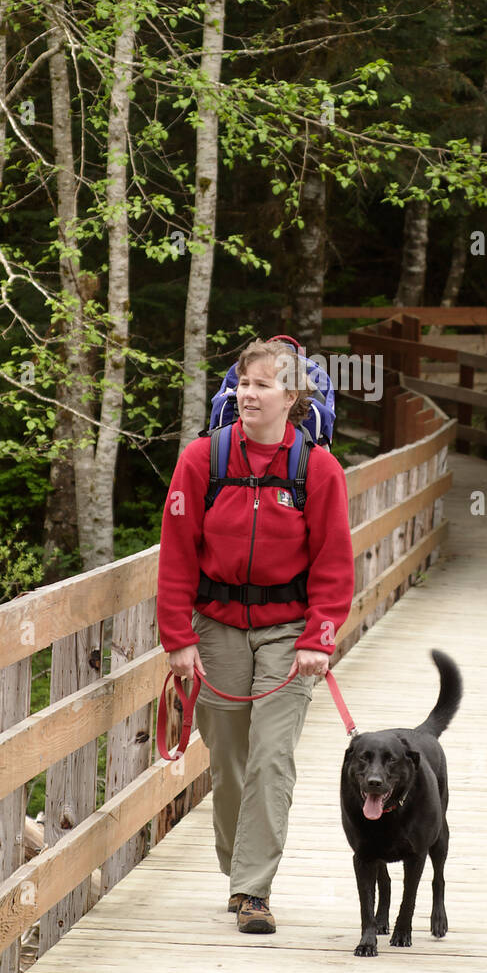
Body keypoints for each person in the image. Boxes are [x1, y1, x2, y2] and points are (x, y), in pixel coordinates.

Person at [157, 337, 355, 933]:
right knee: (229, 760)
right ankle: (238, 867)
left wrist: (319, 637)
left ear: (291, 396)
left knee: (272, 758)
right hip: (214, 627)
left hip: (288, 633)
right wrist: (177, 637)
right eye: (243, 383)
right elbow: (176, 554)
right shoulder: (202, 460)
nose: (248, 394)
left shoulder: (318, 470)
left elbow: (334, 564)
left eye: (263, 385)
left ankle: (252, 890)